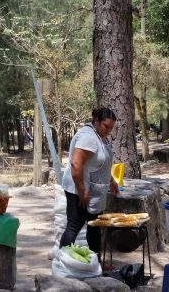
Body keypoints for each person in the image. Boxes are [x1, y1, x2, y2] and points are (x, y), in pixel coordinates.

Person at [59, 107, 119, 258]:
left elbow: (100, 163)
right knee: (74, 225)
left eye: (111, 127)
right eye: (106, 126)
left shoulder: (100, 136)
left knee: (95, 227)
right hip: (78, 189)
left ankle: (95, 265)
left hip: (94, 189)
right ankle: (61, 263)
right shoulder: (88, 137)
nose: (109, 130)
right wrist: (82, 191)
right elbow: (76, 165)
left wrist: (111, 180)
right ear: (96, 121)